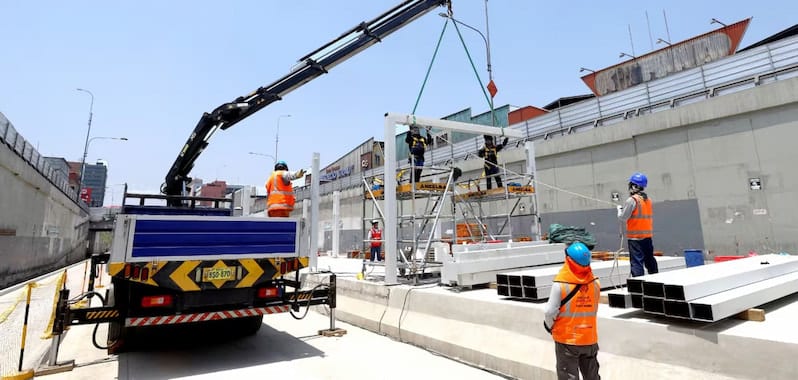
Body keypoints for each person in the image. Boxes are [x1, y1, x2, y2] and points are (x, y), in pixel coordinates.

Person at [543, 241, 601, 380]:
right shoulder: (595, 284)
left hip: (568, 340)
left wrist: (549, 326)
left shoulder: (560, 285)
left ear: (568, 260)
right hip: (590, 339)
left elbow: (550, 312)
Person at [617, 172, 658, 277]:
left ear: (634, 186)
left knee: (637, 263)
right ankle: (656, 280)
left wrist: (619, 211)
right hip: (647, 237)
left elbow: (623, 217)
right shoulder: (648, 200)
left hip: (635, 238)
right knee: (650, 260)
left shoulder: (632, 200)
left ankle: (638, 287)